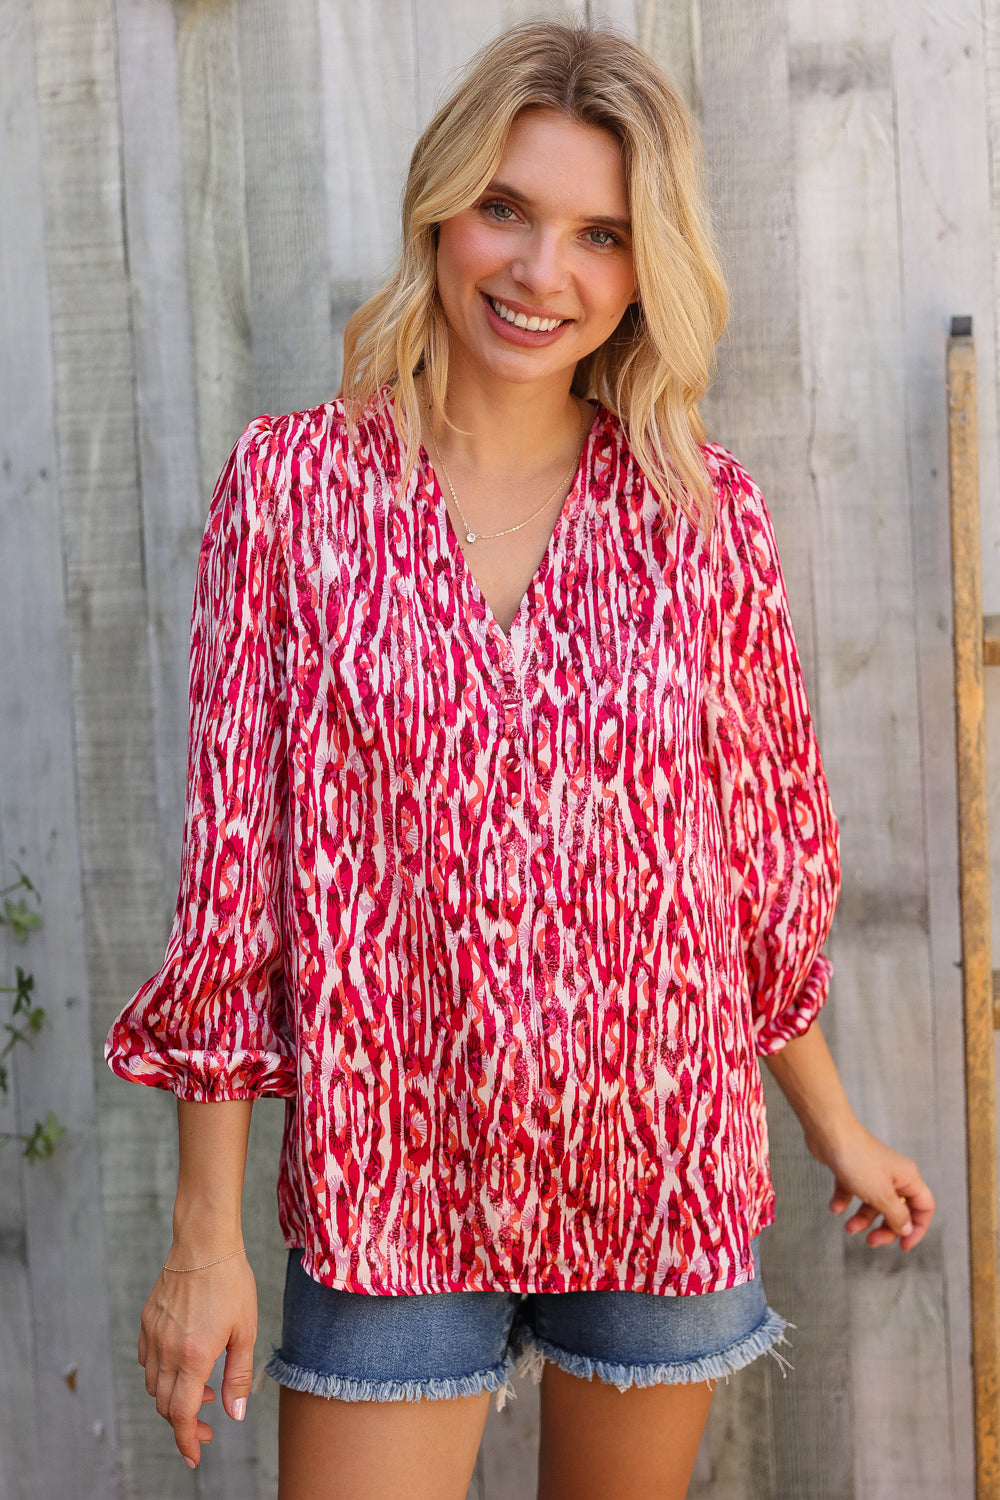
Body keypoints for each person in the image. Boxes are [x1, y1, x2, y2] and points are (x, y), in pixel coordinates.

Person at [105, 19, 935, 1500]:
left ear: (644, 266)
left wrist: (835, 1122)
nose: (540, 271)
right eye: (508, 208)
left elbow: (753, 866)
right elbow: (236, 890)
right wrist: (204, 1236)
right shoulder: (292, 490)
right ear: (442, 206)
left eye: (599, 234)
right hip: (388, 1171)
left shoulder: (703, 515)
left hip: (658, 1155)